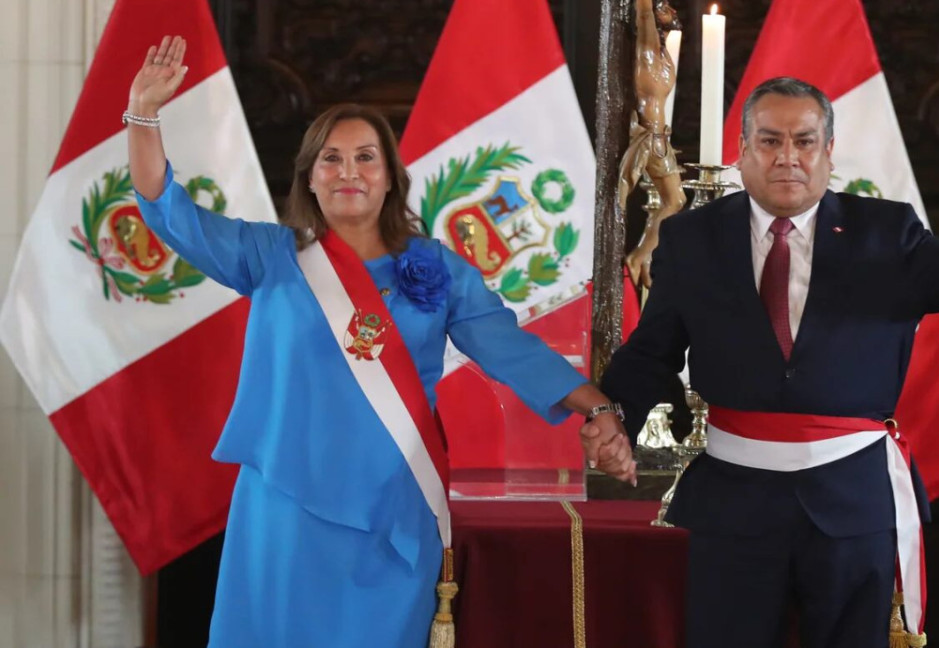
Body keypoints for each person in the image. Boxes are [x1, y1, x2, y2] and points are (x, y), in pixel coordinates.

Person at [126, 35, 635, 647]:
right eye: (331, 160)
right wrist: (143, 114)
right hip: (285, 503)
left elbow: (510, 349)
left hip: (395, 506)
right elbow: (166, 209)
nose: (348, 172)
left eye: (365, 157)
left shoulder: (437, 268)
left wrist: (598, 408)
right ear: (309, 177)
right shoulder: (268, 256)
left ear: (391, 176)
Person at [597, 76, 939, 647]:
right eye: (770, 140)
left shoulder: (887, 232)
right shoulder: (692, 237)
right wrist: (613, 417)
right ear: (742, 150)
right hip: (735, 506)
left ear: (828, 152)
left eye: (804, 141)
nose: (788, 158)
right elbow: (653, 351)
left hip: (851, 503)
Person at [620, 0, 687, 289]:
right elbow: (644, 15)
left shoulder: (662, 56)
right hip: (647, 140)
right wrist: (646, 7)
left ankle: (641, 253)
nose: (672, 12)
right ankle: (634, 257)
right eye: (665, 8)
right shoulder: (646, 56)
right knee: (623, 201)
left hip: (662, 139)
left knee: (677, 200)